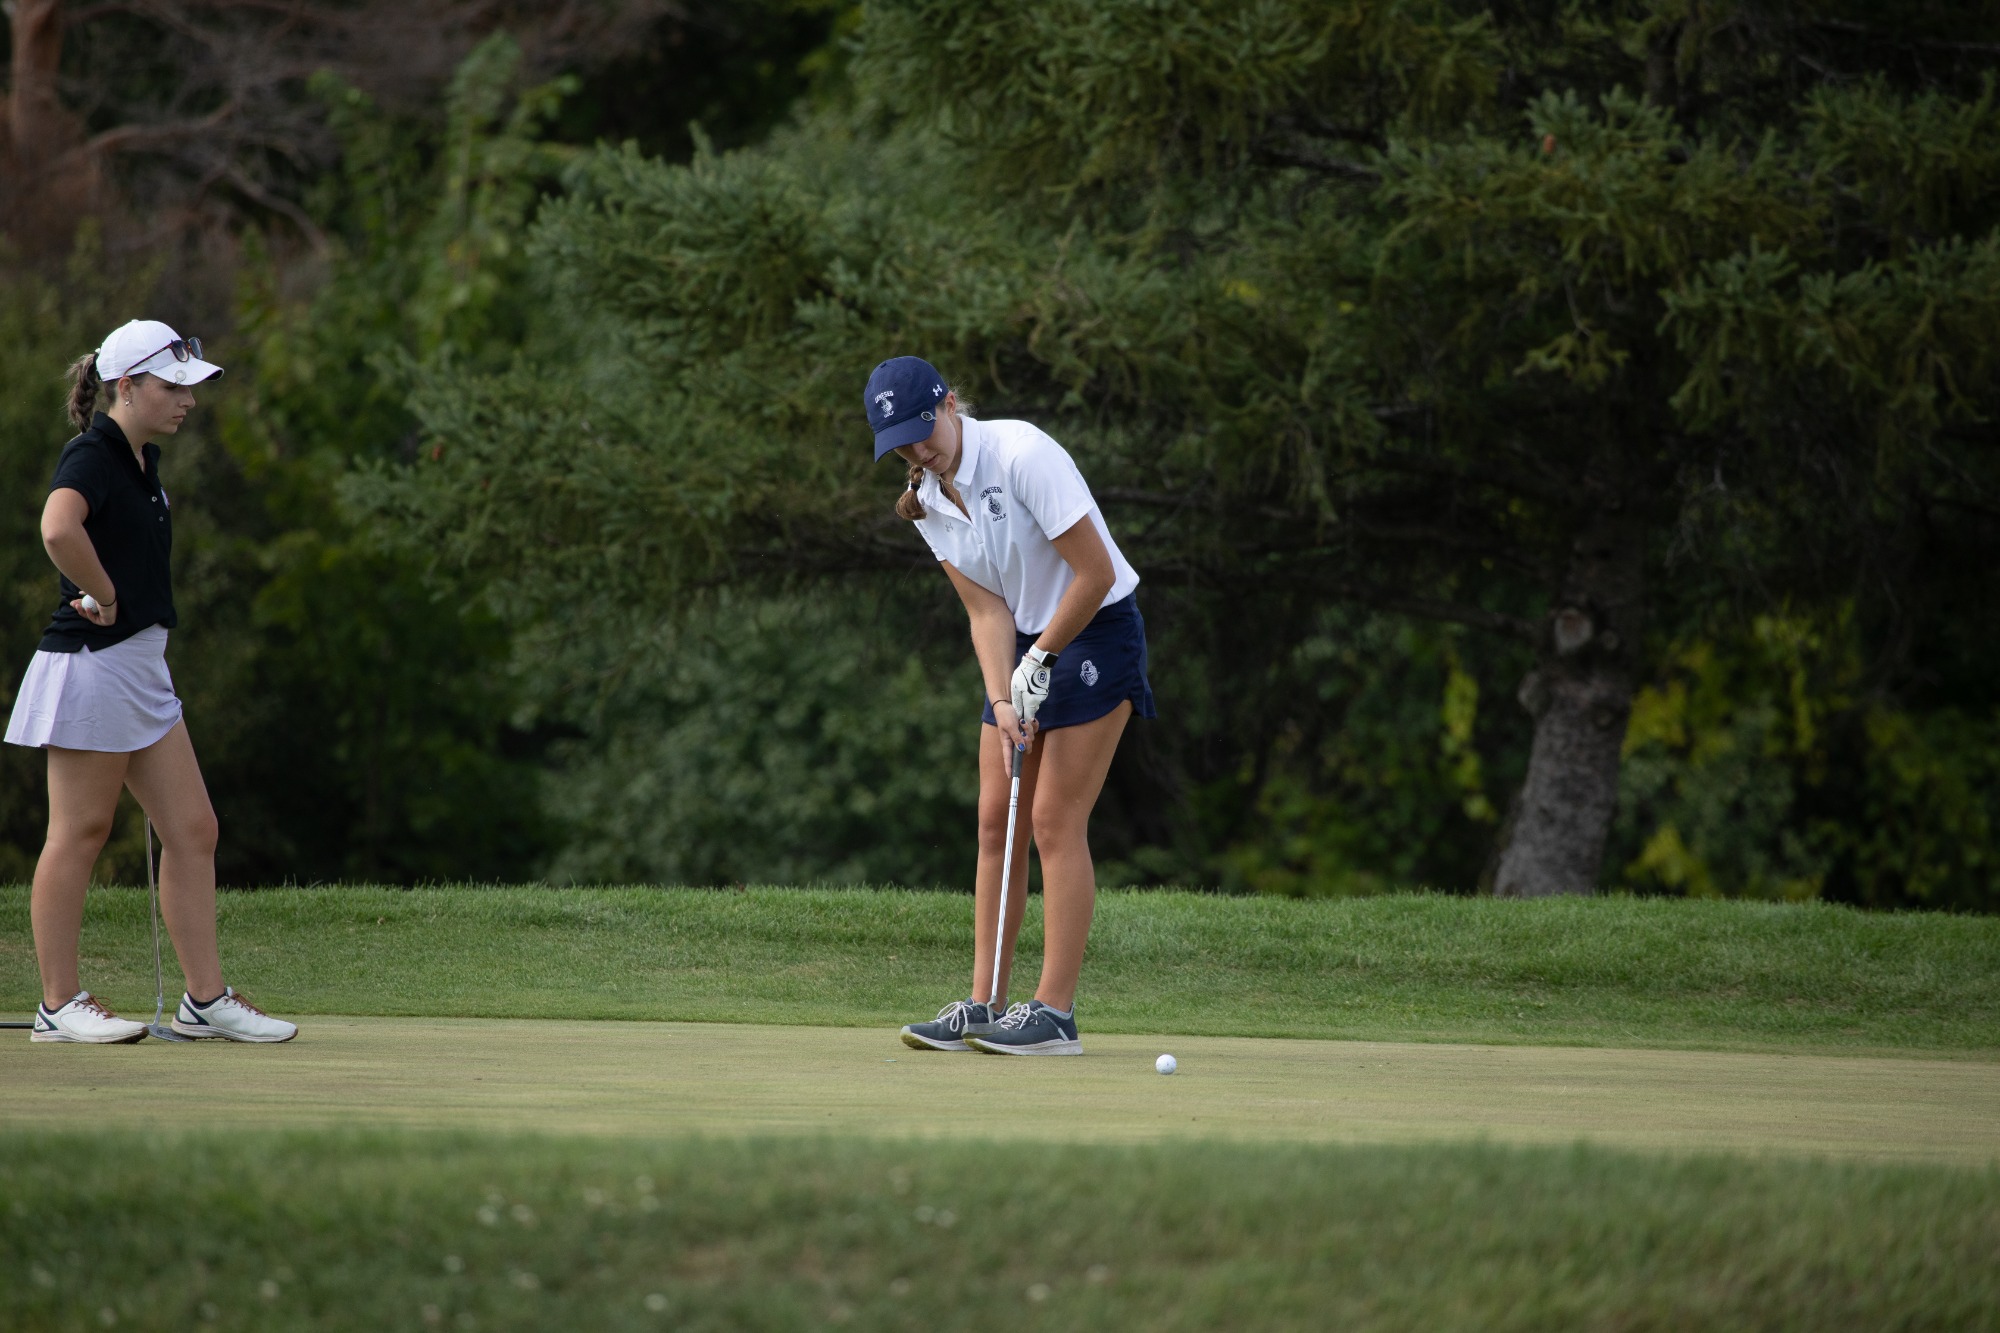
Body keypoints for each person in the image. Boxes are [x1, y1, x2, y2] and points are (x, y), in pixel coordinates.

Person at [5, 320, 297, 1044]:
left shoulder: (139, 462)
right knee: (81, 831)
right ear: (126, 387)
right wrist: (103, 592)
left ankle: (204, 1000)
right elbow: (56, 528)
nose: (187, 402)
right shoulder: (94, 454)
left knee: (194, 828)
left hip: (139, 669)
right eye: (173, 388)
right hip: (92, 668)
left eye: (189, 389)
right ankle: (58, 1004)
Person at [868, 356, 1154, 1056]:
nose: (918, 449)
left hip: (1096, 628)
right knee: (997, 819)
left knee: (1054, 819)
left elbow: (1097, 572)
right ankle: (984, 1001)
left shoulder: (1022, 453)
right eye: (901, 442)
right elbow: (986, 610)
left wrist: (1041, 657)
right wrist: (1002, 697)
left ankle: (1055, 1012)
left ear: (950, 402)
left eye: (923, 428)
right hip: (1025, 642)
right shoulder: (928, 500)